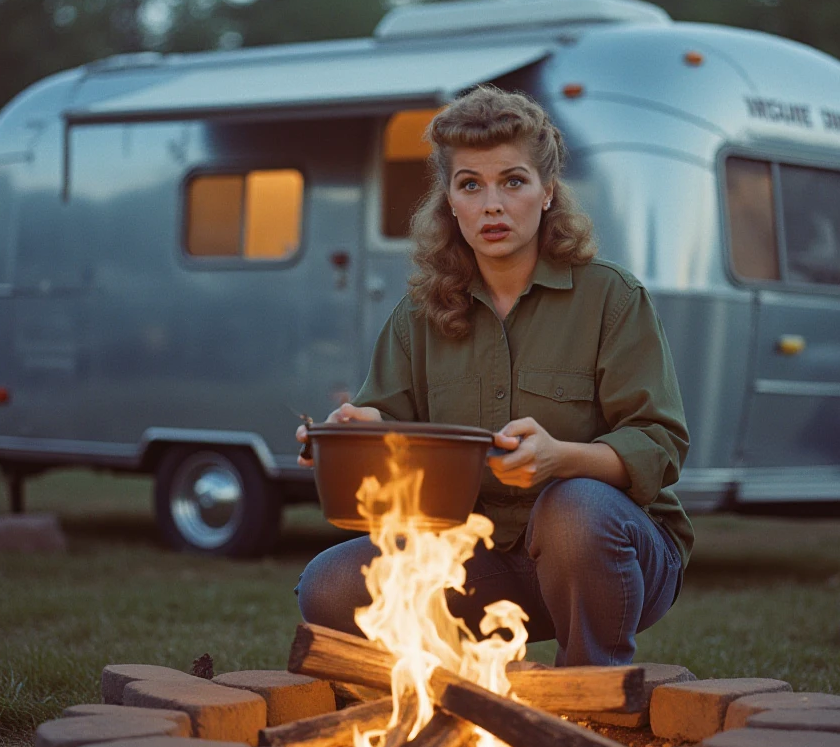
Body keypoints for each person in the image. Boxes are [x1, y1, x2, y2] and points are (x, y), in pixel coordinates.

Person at [295, 85, 692, 666]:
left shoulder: (612, 297)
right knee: (328, 585)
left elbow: (660, 444)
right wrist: (356, 432)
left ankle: (593, 690)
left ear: (547, 192)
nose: (492, 205)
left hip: (613, 556)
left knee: (574, 508)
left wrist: (563, 458)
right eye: (470, 185)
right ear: (450, 202)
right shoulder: (419, 314)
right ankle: (461, 694)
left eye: (514, 181)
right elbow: (390, 427)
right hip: (477, 560)